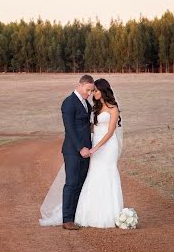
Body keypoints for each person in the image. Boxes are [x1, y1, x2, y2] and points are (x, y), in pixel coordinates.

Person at [39, 76, 124, 229]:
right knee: (71, 183)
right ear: (80, 85)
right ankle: (67, 220)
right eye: (88, 90)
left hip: (90, 150)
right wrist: (81, 148)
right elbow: (70, 129)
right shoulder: (69, 103)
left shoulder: (88, 104)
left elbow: (90, 126)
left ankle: (77, 214)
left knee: (81, 182)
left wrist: (91, 145)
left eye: (92, 91)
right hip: (74, 150)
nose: (89, 93)